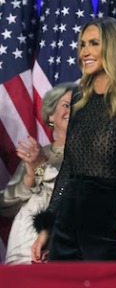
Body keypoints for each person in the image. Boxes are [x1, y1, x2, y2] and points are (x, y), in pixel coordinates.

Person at [31, 17, 116, 261]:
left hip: (107, 226)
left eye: (94, 43)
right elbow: (68, 169)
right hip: (66, 224)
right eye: (82, 44)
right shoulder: (78, 101)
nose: (84, 51)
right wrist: (48, 226)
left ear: (112, 48)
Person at [0, 83, 73, 264]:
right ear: (50, 116)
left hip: (66, 241)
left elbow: (74, 192)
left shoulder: (92, 154)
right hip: (24, 244)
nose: (72, 110)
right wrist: (32, 174)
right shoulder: (37, 153)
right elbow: (5, 205)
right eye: (66, 105)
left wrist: (42, 167)